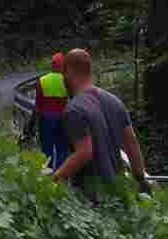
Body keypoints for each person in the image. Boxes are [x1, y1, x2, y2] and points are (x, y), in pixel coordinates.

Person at [52, 48, 149, 194]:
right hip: (118, 193)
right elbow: (131, 142)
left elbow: (84, 152)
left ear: (69, 71)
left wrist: (54, 180)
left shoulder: (74, 109)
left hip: (92, 197)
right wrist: (141, 180)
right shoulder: (115, 101)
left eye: (63, 73)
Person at [35, 52, 70, 168]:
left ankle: (48, 175)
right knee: (63, 149)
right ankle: (60, 176)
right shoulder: (67, 80)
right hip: (63, 118)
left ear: (52, 65)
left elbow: (38, 104)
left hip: (46, 118)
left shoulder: (42, 80)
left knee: (47, 149)